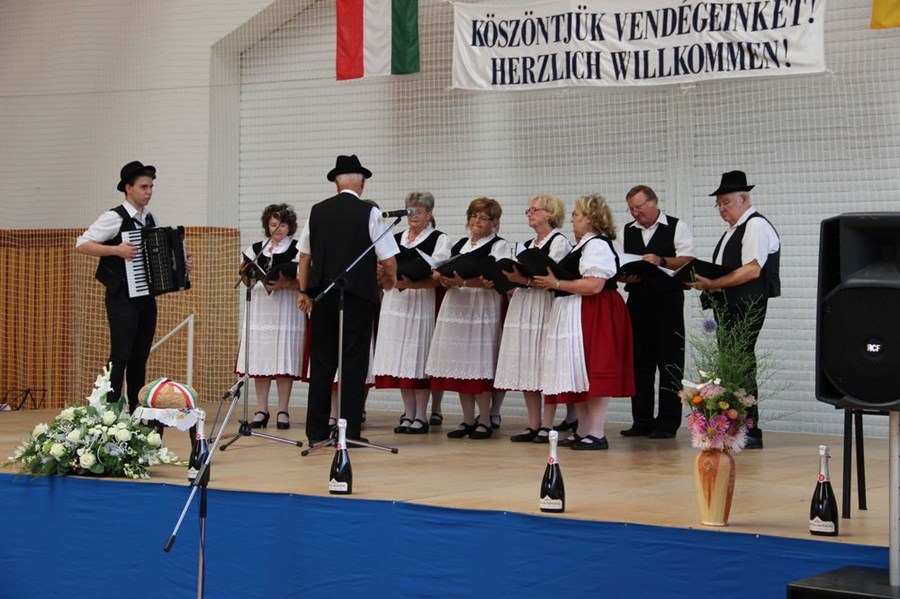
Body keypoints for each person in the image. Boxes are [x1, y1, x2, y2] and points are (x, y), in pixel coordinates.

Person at [297, 155, 399, 444]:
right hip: (356, 298)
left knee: (322, 363)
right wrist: (389, 280)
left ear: (336, 184)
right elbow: (388, 258)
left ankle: (316, 433)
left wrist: (304, 292)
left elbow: (304, 257)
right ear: (362, 183)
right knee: (353, 364)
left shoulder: (317, 212)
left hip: (324, 297)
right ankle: (348, 432)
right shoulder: (369, 213)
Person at [75, 161, 192, 413]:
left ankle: (136, 411)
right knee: (121, 354)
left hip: (145, 296)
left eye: (151, 187)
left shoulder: (150, 218)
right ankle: (108, 411)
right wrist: (116, 250)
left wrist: (179, 266)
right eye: (143, 187)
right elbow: (82, 244)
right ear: (128, 188)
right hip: (121, 296)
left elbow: (157, 254)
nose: (149, 192)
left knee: (140, 356)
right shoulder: (114, 217)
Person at [533, 194, 635, 450]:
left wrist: (557, 283)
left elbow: (594, 285)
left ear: (591, 218)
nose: (573, 219)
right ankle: (583, 429)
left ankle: (596, 432)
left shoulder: (597, 245)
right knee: (578, 370)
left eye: (577, 214)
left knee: (593, 368)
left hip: (595, 311)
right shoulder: (583, 245)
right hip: (578, 310)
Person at [693, 170, 780, 450]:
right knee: (731, 362)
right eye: (718, 204)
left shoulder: (755, 225)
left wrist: (715, 283)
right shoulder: (734, 230)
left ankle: (750, 428)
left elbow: (752, 269)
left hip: (746, 305)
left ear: (744, 199)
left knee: (741, 361)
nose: (721, 209)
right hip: (729, 305)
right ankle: (735, 424)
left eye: (726, 202)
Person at [425, 197, 509, 440]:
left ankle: (485, 419)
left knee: (478, 363)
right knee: (462, 363)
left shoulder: (499, 245)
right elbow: (449, 269)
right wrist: (445, 279)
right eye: (473, 216)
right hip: (457, 307)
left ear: (495, 222)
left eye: (483, 217)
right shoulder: (462, 244)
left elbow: (496, 278)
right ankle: (467, 419)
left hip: (481, 308)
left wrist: (463, 281)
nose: (476, 221)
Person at [618, 185, 695, 439]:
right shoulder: (627, 231)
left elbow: (687, 259)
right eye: (631, 209)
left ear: (653, 203)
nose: (635, 213)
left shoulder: (676, 226)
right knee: (639, 363)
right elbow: (619, 261)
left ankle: (668, 422)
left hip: (668, 302)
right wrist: (624, 275)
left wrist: (661, 261)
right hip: (638, 302)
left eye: (639, 207)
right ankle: (641, 420)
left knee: (670, 362)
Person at [372, 192, 452, 434]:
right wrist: (381, 272)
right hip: (395, 302)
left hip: (420, 302)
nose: (413, 215)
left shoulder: (439, 239)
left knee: (417, 358)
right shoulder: (395, 238)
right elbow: (383, 269)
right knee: (400, 361)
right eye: (410, 210)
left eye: (419, 211)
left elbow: (438, 275)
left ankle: (421, 415)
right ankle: (408, 413)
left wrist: (410, 283)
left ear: (429, 214)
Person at [495, 195, 572, 443]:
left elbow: (553, 279)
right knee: (528, 363)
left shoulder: (559, 243)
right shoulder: (527, 244)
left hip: (544, 306)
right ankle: (533, 424)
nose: (529, 213)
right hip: (525, 305)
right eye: (528, 210)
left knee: (544, 365)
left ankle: (547, 424)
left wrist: (524, 280)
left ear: (550, 213)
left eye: (535, 210)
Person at [235, 203, 306, 430]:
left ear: (290, 226)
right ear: (267, 225)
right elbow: (247, 283)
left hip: (286, 309)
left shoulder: (297, 248)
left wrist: (285, 282)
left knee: (283, 359)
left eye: (282, 225)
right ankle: (261, 409)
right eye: (274, 224)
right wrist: (246, 274)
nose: (278, 229)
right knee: (261, 359)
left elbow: (305, 280)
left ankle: (283, 409)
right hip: (261, 309)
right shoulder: (256, 248)